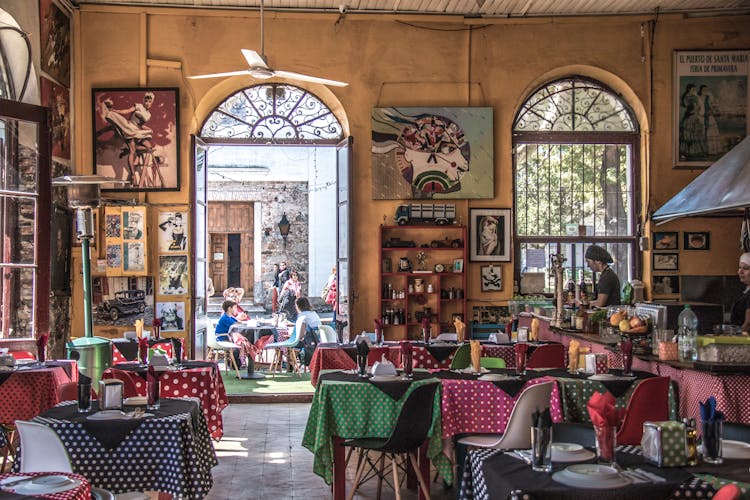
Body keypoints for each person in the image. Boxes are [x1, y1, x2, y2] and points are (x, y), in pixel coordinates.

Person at [101, 92, 156, 184]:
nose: (147, 103)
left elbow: (141, 126)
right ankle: (133, 175)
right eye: (146, 100)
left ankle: (130, 150)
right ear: (143, 100)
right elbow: (126, 111)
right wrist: (115, 111)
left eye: (149, 101)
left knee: (149, 147)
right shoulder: (138, 106)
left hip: (137, 131)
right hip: (129, 128)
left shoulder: (149, 115)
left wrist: (149, 129)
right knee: (132, 151)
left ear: (152, 102)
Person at [215, 300, 257, 367]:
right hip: (223, 338)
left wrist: (244, 320)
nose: (236, 310)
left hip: (229, 337)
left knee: (245, 341)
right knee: (245, 342)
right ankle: (238, 363)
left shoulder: (229, 317)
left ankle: (242, 361)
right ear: (229, 308)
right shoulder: (225, 318)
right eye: (234, 308)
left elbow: (238, 322)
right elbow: (237, 324)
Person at [679, 83, 707, 160]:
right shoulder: (687, 97)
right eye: (693, 89)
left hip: (694, 115)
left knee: (696, 134)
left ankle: (695, 152)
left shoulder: (694, 97)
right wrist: (694, 107)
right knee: (688, 135)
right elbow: (687, 106)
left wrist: (697, 108)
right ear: (689, 89)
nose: (694, 91)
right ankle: (686, 153)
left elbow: (698, 107)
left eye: (695, 89)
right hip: (689, 116)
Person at [293, 297, 322, 367]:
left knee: (291, 346)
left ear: (298, 306)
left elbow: (301, 334)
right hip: (319, 340)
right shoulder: (313, 313)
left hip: (310, 341)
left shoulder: (302, 315)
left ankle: (291, 366)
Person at [730, 252, 750, 333]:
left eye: (745, 268)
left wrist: (734, 336)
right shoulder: (746, 291)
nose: (740, 271)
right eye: (739, 267)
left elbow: (748, 324)